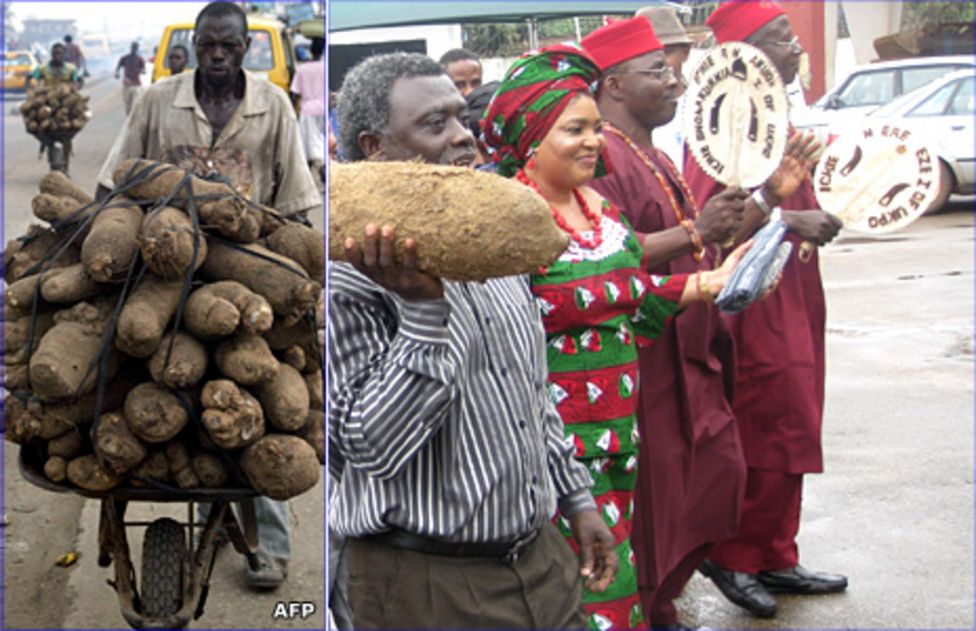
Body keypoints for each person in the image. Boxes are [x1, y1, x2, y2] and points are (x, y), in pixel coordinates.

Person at [330, 51, 617, 629]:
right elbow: (367, 448)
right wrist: (421, 311)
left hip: (541, 563)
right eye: (435, 125)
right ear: (374, 149)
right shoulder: (346, 274)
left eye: (461, 118)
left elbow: (530, 396)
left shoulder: (496, 243)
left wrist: (576, 500)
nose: (466, 138)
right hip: (424, 585)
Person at [482, 43, 749, 631]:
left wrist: (709, 283)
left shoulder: (599, 209)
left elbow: (631, 303)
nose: (593, 142)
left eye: (596, 128)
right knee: (574, 588)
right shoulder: (510, 222)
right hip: (552, 453)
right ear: (531, 137)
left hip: (618, 436)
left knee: (613, 574)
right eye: (574, 130)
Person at [96, 1, 321, 589]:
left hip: (254, 279)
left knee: (269, 406)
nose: (217, 55)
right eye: (208, 45)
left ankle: (268, 543)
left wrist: (311, 268)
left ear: (246, 47)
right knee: (157, 375)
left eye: (229, 46)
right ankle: (187, 494)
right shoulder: (157, 100)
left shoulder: (271, 106)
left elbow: (297, 196)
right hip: (163, 271)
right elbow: (114, 176)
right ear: (195, 45)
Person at [577, 16, 752, 631]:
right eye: (658, 70)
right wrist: (696, 232)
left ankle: (665, 601)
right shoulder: (599, 157)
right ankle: (650, 610)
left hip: (690, 347)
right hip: (647, 360)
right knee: (656, 503)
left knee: (717, 479)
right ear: (614, 85)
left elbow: (692, 239)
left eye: (671, 68)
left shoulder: (653, 154)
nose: (675, 80)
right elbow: (608, 251)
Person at [685, 0, 846, 619]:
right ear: (746, 52)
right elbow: (713, 230)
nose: (794, 49)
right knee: (760, 423)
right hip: (753, 303)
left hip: (796, 293)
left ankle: (777, 550)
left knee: (797, 419)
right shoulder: (720, 125)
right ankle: (734, 554)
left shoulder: (776, 113)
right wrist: (783, 212)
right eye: (780, 39)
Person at [635, 7, 693, 168]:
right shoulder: (632, 113)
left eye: (667, 53)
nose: (659, 63)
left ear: (686, 52)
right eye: (648, 55)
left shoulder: (704, 105)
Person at [290, 37, 325, 181]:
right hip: (324, 110)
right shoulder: (326, 67)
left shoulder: (302, 69)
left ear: (310, 50)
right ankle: (321, 169)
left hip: (307, 110)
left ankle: (317, 171)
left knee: (307, 147)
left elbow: (294, 93)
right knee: (321, 142)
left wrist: (291, 110)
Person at [115, 41, 146, 115]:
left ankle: (133, 119)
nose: (134, 49)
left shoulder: (140, 59)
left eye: (136, 48)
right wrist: (117, 73)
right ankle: (129, 119)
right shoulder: (125, 58)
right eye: (133, 47)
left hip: (136, 85)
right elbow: (118, 67)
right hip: (127, 85)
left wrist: (139, 70)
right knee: (128, 105)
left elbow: (144, 70)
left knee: (135, 104)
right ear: (131, 48)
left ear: (138, 49)